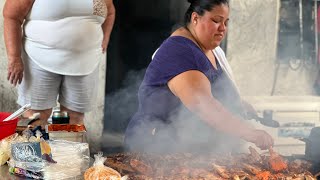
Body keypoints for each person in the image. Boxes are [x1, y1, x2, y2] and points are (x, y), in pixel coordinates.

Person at [124, 0, 274, 154]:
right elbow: (204, 105)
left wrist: (236, 103)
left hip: (197, 152)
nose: (222, 28)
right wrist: (250, 133)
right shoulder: (179, 52)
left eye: (226, 23)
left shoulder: (208, 48)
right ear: (195, 18)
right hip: (161, 151)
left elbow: (211, 89)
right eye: (216, 21)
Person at [3, 0, 115, 125]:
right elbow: (11, 16)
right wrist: (14, 58)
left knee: (74, 116)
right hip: (38, 58)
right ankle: (36, 145)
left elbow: (110, 12)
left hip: (86, 62)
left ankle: (68, 145)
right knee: (36, 115)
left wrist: (105, 39)